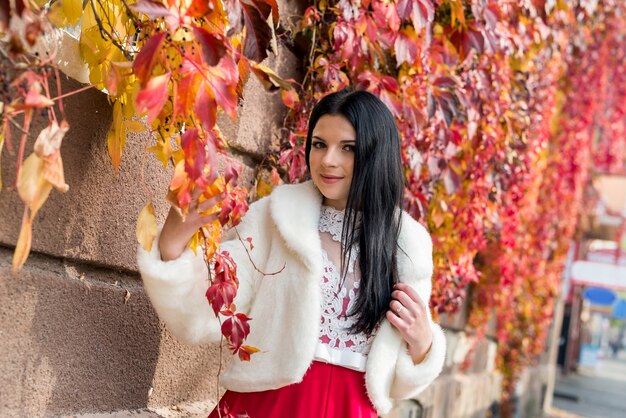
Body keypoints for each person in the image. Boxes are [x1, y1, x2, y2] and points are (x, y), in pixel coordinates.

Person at [137, 88, 446, 417]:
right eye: (319, 144)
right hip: (268, 404)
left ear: (375, 153)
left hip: (352, 409)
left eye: (348, 148)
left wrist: (424, 344)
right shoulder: (277, 220)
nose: (328, 160)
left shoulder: (407, 247)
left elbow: (396, 380)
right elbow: (209, 312)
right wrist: (174, 240)